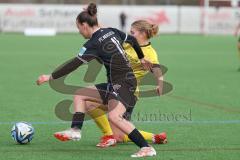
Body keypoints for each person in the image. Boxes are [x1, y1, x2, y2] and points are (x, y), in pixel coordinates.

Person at [37, 3, 156, 158]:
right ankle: (75, 130)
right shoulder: (111, 31)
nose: (79, 31)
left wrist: (50, 77)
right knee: (80, 94)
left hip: (124, 83)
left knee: (115, 117)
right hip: (119, 82)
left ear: (85, 25)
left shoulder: (92, 44)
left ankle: (147, 147)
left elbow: (74, 63)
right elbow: (132, 40)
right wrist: (141, 57)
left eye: (78, 27)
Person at [78, 20, 167, 148]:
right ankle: (110, 135)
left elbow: (157, 69)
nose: (129, 35)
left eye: (132, 32)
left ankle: (150, 138)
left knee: (119, 135)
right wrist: (91, 18)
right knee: (87, 102)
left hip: (128, 93)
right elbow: (105, 33)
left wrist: (160, 83)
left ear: (142, 33)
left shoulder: (150, 53)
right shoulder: (128, 43)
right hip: (115, 87)